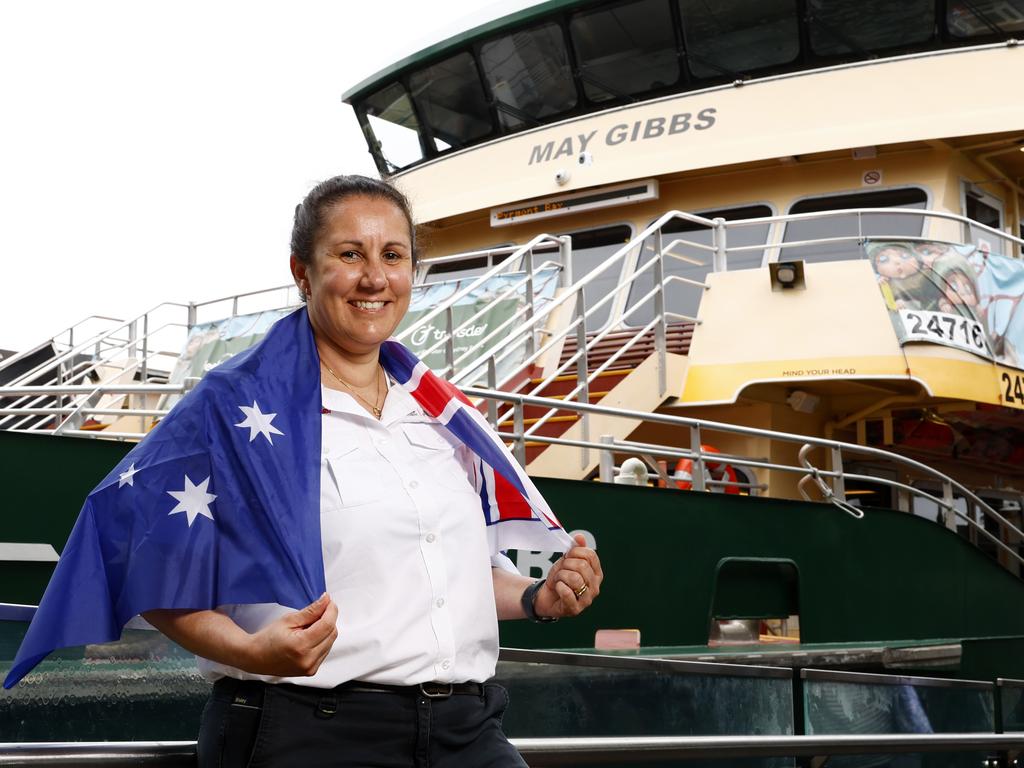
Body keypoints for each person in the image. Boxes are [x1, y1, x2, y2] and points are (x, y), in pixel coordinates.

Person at [139, 174, 604, 767]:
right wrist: (255, 652)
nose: (375, 278)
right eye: (349, 254)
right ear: (302, 272)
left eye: (393, 256)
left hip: (465, 732)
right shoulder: (234, 408)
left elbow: (453, 573)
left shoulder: (441, 415)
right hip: (311, 734)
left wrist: (541, 596)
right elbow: (151, 568)